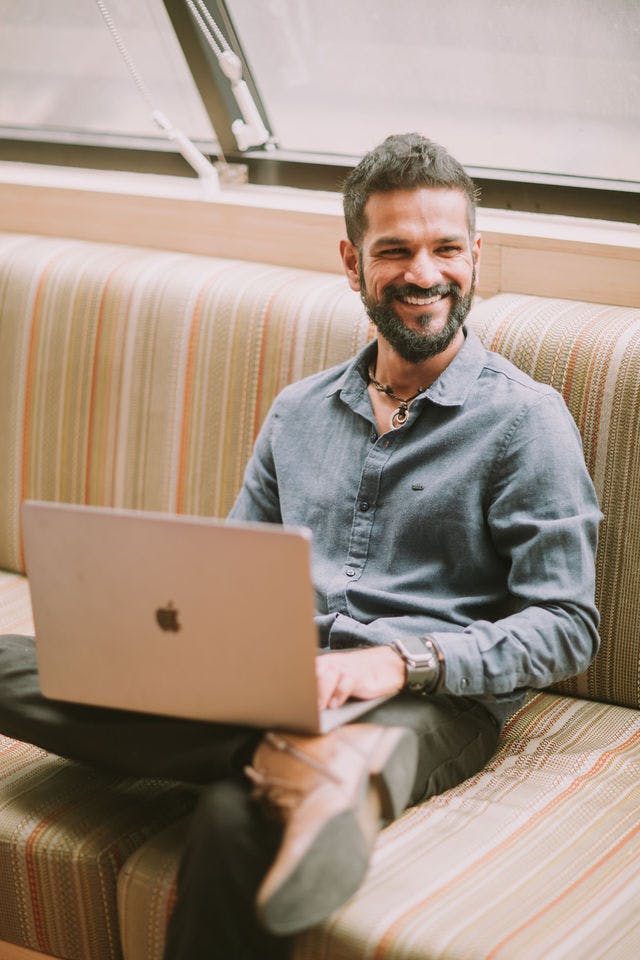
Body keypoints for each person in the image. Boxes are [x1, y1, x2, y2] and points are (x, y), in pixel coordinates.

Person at [0, 133, 601, 959]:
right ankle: (299, 759)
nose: (424, 274)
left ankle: (324, 760)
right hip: (279, 684)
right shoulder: (299, 413)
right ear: (352, 262)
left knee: (230, 820)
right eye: (395, 251)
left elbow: (569, 624)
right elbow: (230, 579)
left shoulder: (526, 421)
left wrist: (396, 662)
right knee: (14, 661)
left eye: (445, 249)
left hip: (426, 703)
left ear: (475, 255)